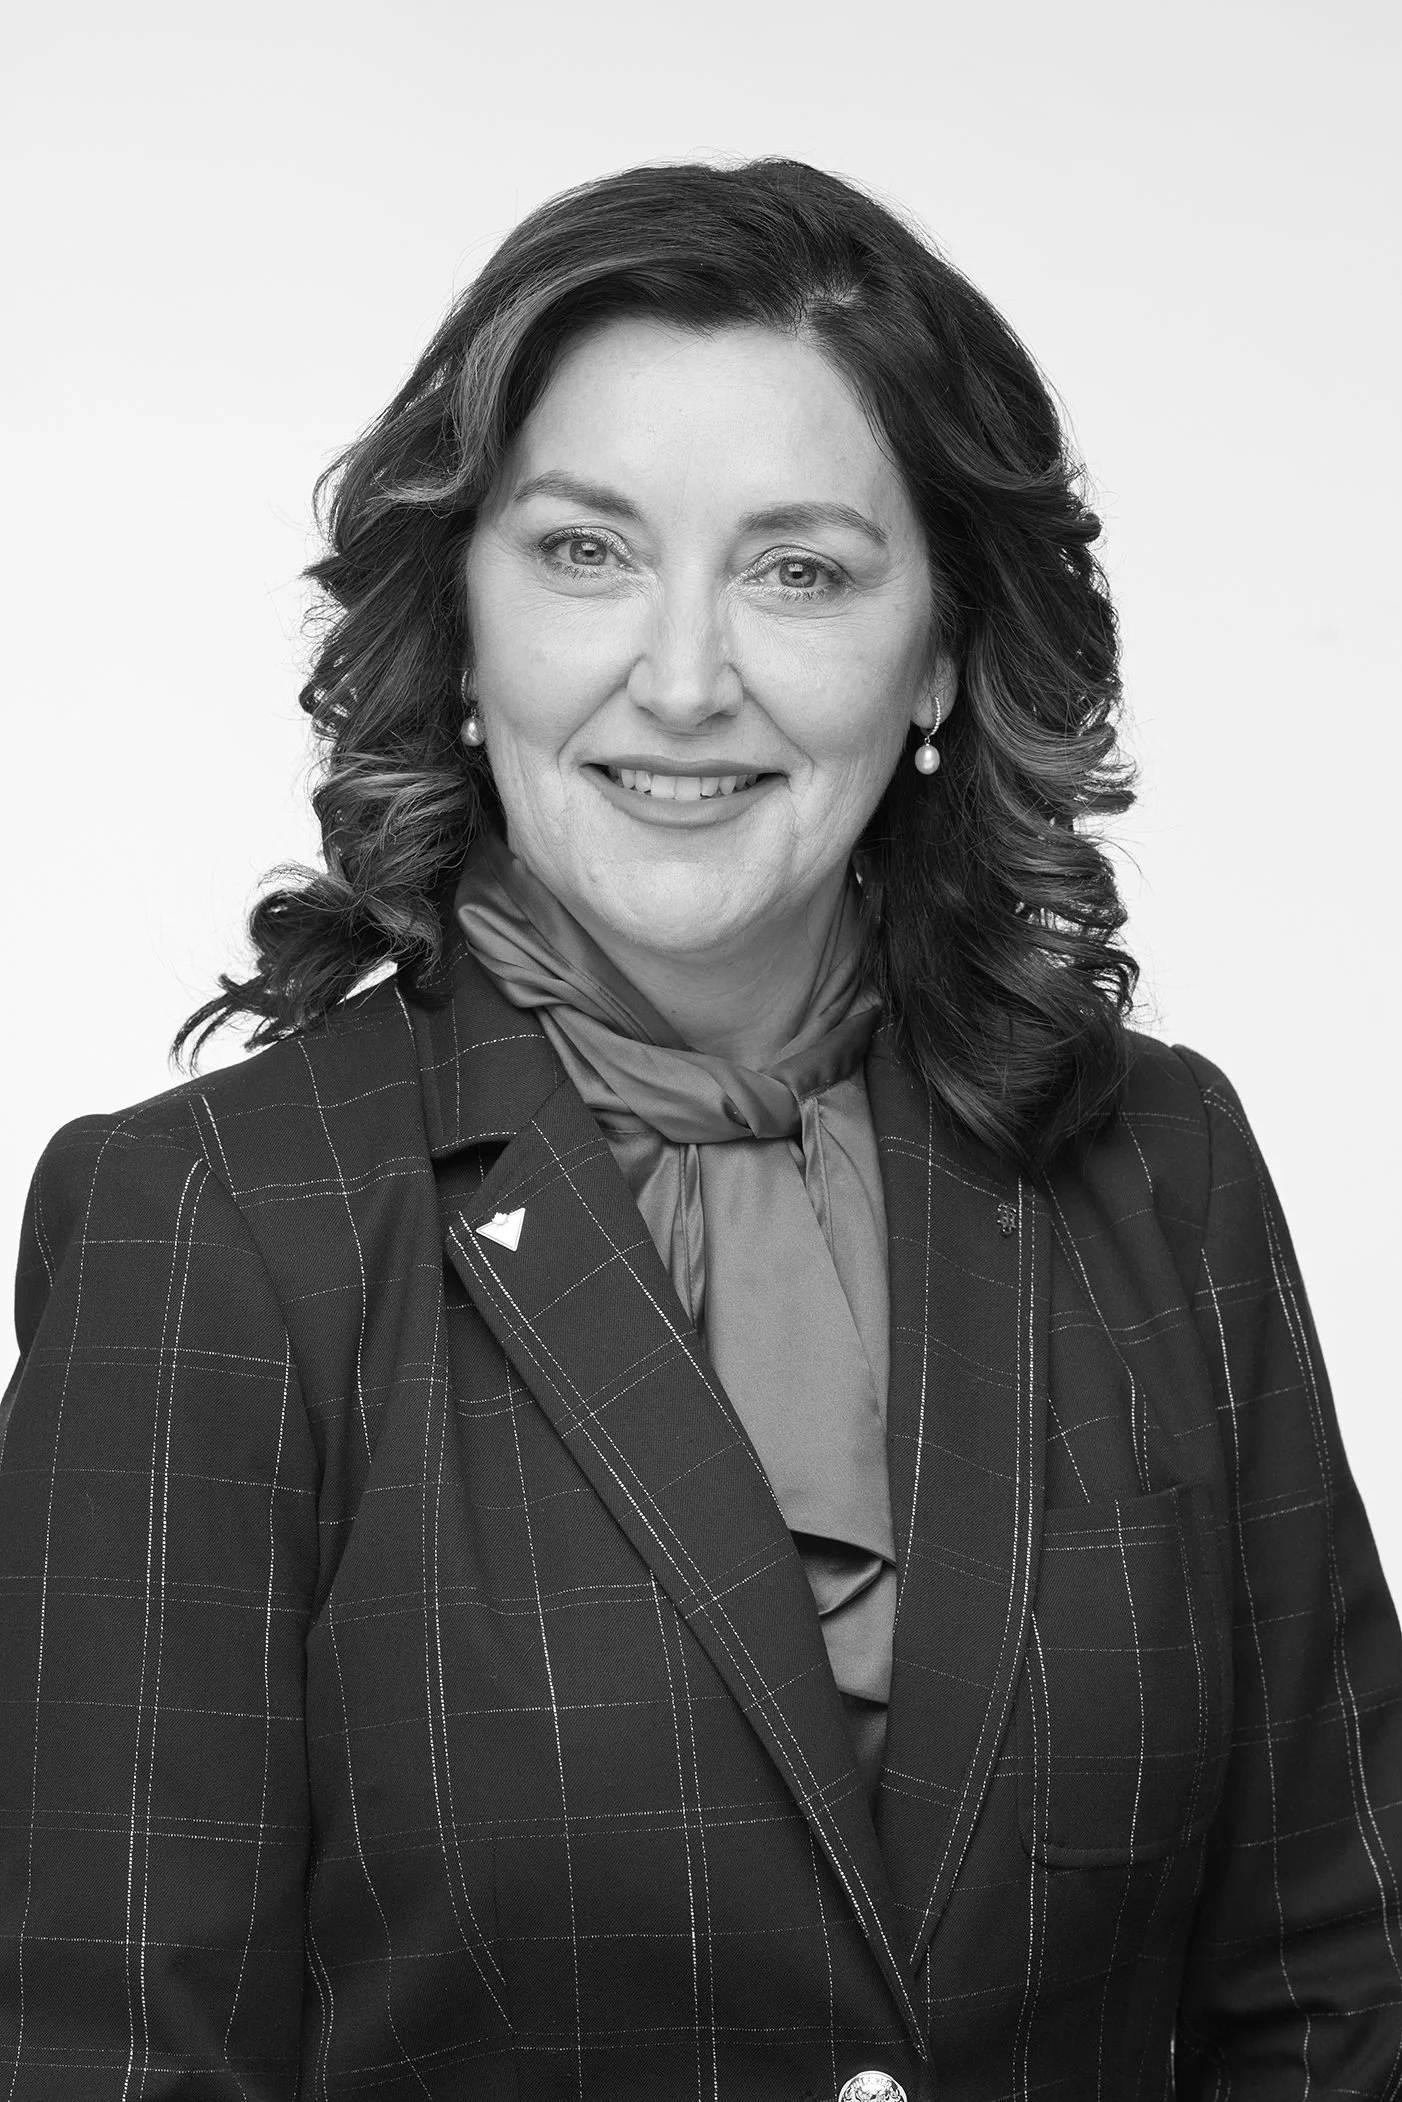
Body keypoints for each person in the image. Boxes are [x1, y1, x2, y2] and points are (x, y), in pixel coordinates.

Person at [3, 156, 1400, 2102]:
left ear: (935, 652)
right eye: (583, 552)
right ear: (460, 621)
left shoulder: (1157, 1170)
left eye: (799, 569)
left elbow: (1332, 1994)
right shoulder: (208, 1228)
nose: (678, 677)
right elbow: (110, 2063)